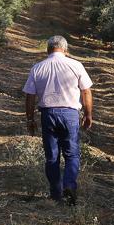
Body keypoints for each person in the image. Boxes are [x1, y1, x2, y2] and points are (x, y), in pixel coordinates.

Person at [22, 35, 94, 205]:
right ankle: (69, 186)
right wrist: (88, 114)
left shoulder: (38, 68)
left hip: (48, 114)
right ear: (65, 49)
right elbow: (86, 92)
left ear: (48, 49)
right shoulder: (76, 65)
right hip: (70, 115)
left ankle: (55, 194)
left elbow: (30, 97)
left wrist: (30, 119)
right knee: (72, 154)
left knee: (52, 157)